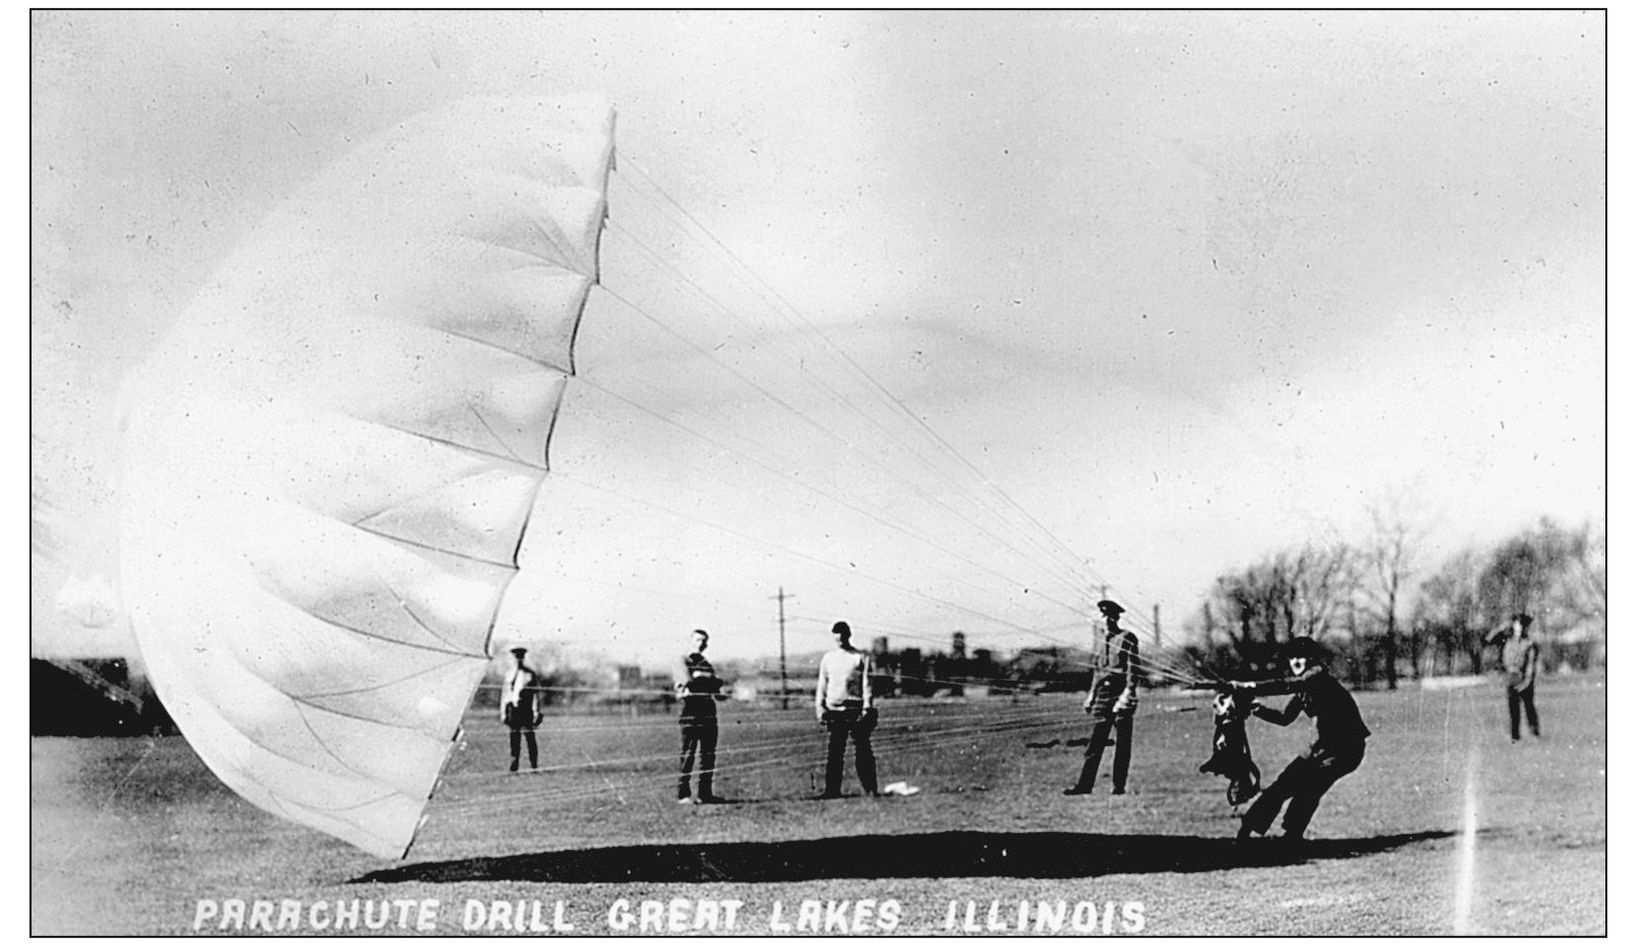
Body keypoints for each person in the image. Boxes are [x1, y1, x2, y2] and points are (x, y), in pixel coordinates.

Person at [1231, 636, 1371, 842]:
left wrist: (1248, 687)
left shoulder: (1316, 676)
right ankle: (1248, 829)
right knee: (1282, 785)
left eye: (1302, 657)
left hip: (1345, 750)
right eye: (1292, 658)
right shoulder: (1303, 687)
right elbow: (1285, 718)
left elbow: (1290, 684)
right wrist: (1257, 709)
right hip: (1321, 748)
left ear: (1312, 659)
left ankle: (1291, 836)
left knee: (1309, 788)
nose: (1296, 661)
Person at [1064, 599, 1139, 796]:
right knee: (1095, 742)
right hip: (1103, 695)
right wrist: (1091, 695)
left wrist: (1129, 692)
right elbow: (1097, 672)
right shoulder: (1098, 641)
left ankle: (1118, 787)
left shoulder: (1127, 638)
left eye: (1110, 616)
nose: (1106, 620)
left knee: (1122, 743)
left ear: (1116, 617)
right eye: (1103, 616)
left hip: (1121, 693)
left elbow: (1133, 668)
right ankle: (1084, 785)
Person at [815, 621, 878, 799]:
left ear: (849, 635)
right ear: (834, 636)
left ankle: (870, 788)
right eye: (837, 634)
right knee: (835, 752)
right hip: (834, 710)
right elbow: (822, 684)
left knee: (863, 749)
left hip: (855, 709)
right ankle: (832, 790)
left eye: (843, 634)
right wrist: (820, 707)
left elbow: (867, 684)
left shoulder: (861, 657)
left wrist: (867, 706)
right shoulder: (828, 658)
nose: (840, 638)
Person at [674, 628, 727, 804]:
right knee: (688, 753)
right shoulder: (682, 660)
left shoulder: (706, 663)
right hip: (690, 711)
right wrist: (709, 679)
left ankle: (705, 793)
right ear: (691, 641)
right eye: (698, 640)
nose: (702, 643)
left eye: (704, 640)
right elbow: (689, 681)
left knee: (708, 753)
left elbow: (717, 689)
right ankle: (684, 794)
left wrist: (704, 678)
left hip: (708, 711)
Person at [1486, 613, 1542, 741]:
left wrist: (1526, 681)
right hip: (1511, 676)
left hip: (1524, 677)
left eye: (1521, 625)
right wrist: (1502, 627)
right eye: (1516, 624)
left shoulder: (1529, 643)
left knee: (1528, 705)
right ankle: (1515, 734)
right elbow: (1489, 640)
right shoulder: (1508, 640)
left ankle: (1534, 731)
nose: (1518, 628)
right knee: (1513, 707)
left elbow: (1531, 665)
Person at [500, 646, 543, 773]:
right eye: (515, 657)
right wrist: (503, 712)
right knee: (514, 738)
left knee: (530, 737)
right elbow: (504, 693)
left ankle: (534, 764)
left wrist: (536, 711)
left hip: (526, 709)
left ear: (523, 658)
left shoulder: (529, 674)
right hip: (513, 709)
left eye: (520, 657)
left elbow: (535, 694)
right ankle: (514, 764)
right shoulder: (509, 673)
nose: (518, 659)